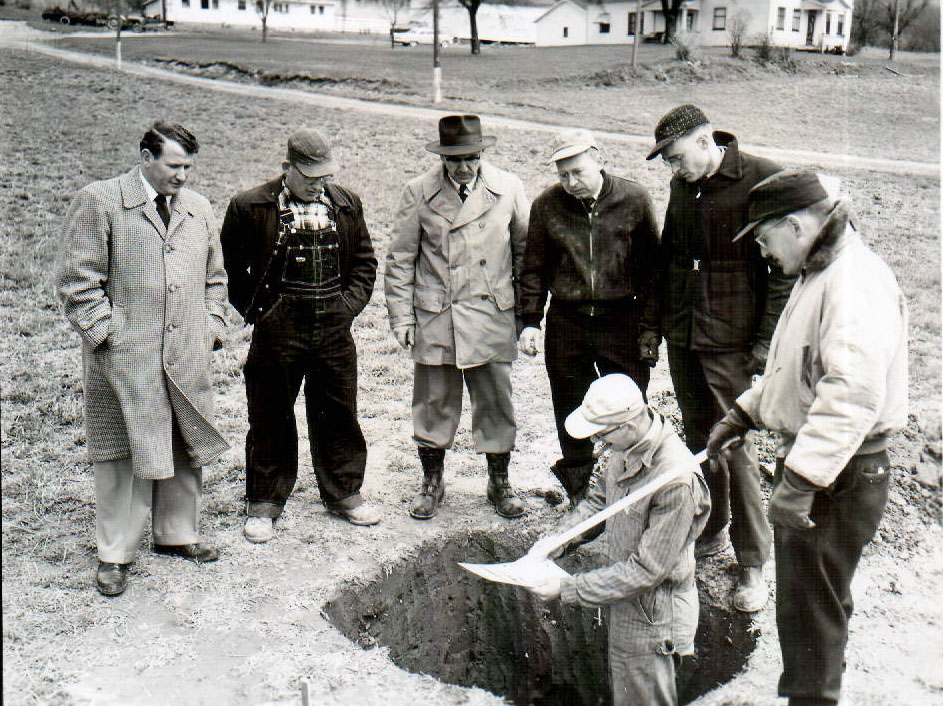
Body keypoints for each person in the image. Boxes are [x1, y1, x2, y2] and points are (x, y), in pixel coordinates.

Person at [708, 170, 907, 706]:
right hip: (826, 466)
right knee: (809, 603)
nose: (762, 252)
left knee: (811, 608)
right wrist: (746, 412)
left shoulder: (852, 283)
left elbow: (850, 394)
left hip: (838, 474)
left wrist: (798, 481)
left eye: (762, 238)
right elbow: (795, 368)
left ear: (795, 226)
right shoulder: (818, 272)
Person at [57, 122, 230, 596]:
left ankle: (177, 535)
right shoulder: (102, 200)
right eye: (174, 165)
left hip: (186, 354)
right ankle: (115, 553)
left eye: (189, 166)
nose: (183, 176)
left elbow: (216, 279)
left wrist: (211, 328)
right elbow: (77, 282)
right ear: (145, 156)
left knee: (183, 440)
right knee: (123, 452)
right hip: (122, 361)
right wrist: (108, 338)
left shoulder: (198, 207)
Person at [646, 104, 795, 613]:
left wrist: (764, 343)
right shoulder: (682, 186)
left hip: (734, 339)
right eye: (666, 160)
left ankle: (753, 562)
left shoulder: (762, 178)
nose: (672, 167)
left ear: (707, 141)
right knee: (696, 437)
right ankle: (713, 524)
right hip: (686, 334)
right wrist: (660, 324)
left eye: (676, 156)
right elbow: (670, 255)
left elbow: (783, 272)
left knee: (736, 445)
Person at [220, 127, 379, 542]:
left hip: (333, 326)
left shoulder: (346, 204)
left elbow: (364, 262)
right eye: (310, 176)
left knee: (338, 410)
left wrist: (346, 308)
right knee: (270, 413)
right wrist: (260, 313)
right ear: (287, 168)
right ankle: (265, 501)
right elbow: (230, 270)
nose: (319, 184)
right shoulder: (250, 206)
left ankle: (345, 491)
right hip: (278, 327)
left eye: (324, 175)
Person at [528, 374, 710, 706]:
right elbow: (599, 501)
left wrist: (568, 589)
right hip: (624, 600)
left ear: (626, 424)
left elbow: (646, 571)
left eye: (602, 434)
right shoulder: (624, 446)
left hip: (654, 618)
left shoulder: (676, 481)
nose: (598, 445)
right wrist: (561, 539)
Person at [384, 114, 530, 520]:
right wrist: (402, 318)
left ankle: (499, 481)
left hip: (491, 314)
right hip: (437, 315)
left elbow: (524, 255)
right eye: (454, 159)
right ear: (442, 157)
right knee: (433, 404)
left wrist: (525, 315)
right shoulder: (418, 193)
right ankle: (432, 481)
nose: (463, 167)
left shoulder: (509, 188)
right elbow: (400, 260)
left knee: (496, 402)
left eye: (471, 157)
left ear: (482, 153)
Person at [519, 128, 660, 505]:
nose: (571, 182)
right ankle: (581, 494)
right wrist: (530, 320)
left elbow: (652, 270)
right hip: (568, 321)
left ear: (599, 158)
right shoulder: (546, 206)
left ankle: (633, 489)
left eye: (578, 171)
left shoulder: (634, 199)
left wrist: (650, 329)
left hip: (622, 319)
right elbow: (532, 267)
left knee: (629, 406)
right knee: (570, 404)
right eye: (563, 175)